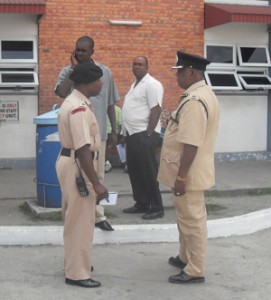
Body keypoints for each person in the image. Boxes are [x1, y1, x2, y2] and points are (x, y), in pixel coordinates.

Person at [158, 51, 220, 284]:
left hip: (189, 174)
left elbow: (191, 143)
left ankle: (195, 269)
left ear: (192, 72)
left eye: (180, 72)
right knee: (185, 218)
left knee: (192, 221)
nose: (177, 76)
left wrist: (181, 177)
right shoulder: (201, 94)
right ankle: (185, 256)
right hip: (190, 172)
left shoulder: (195, 101)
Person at [55, 35, 120, 231]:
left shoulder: (104, 73)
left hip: (97, 136)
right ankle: (72, 214)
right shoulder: (68, 71)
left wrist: (114, 131)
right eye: (77, 50)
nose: (80, 53)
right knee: (74, 179)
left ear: (92, 51)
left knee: (97, 177)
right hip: (74, 139)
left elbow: (110, 103)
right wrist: (73, 70)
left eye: (84, 50)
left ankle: (98, 216)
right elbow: (60, 92)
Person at [56, 62, 108, 287]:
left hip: (71, 162)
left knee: (73, 217)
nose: (101, 83)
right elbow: (83, 149)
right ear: (86, 84)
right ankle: (77, 273)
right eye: (98, 80)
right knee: (80, 221)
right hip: (78, 166)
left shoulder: (77, 102)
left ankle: (74, 262)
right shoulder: (78, 108)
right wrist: (96, 184)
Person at [121, 56, 164, 220]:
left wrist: (148, 134)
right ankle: (142, 203)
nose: (137, 67)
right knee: (135, 172)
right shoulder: (135, 85)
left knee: (148, 172)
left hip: (144, 134)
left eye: (140, 64)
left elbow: (156, 110)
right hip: (132, 135)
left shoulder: (152, 84)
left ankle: (156, 207)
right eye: (135, 64)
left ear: (147, 66)